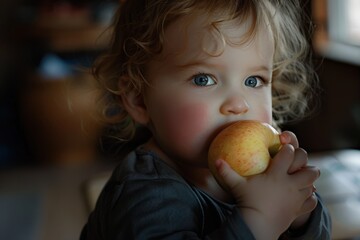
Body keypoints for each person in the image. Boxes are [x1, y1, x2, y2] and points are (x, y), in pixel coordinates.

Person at [81, 0, 331, 239]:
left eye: (253, 80)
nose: (238, 104)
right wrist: (260, 220)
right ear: (139, 99)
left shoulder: (258, 170)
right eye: (204, 79)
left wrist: (300, 215)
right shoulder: (144, 199)